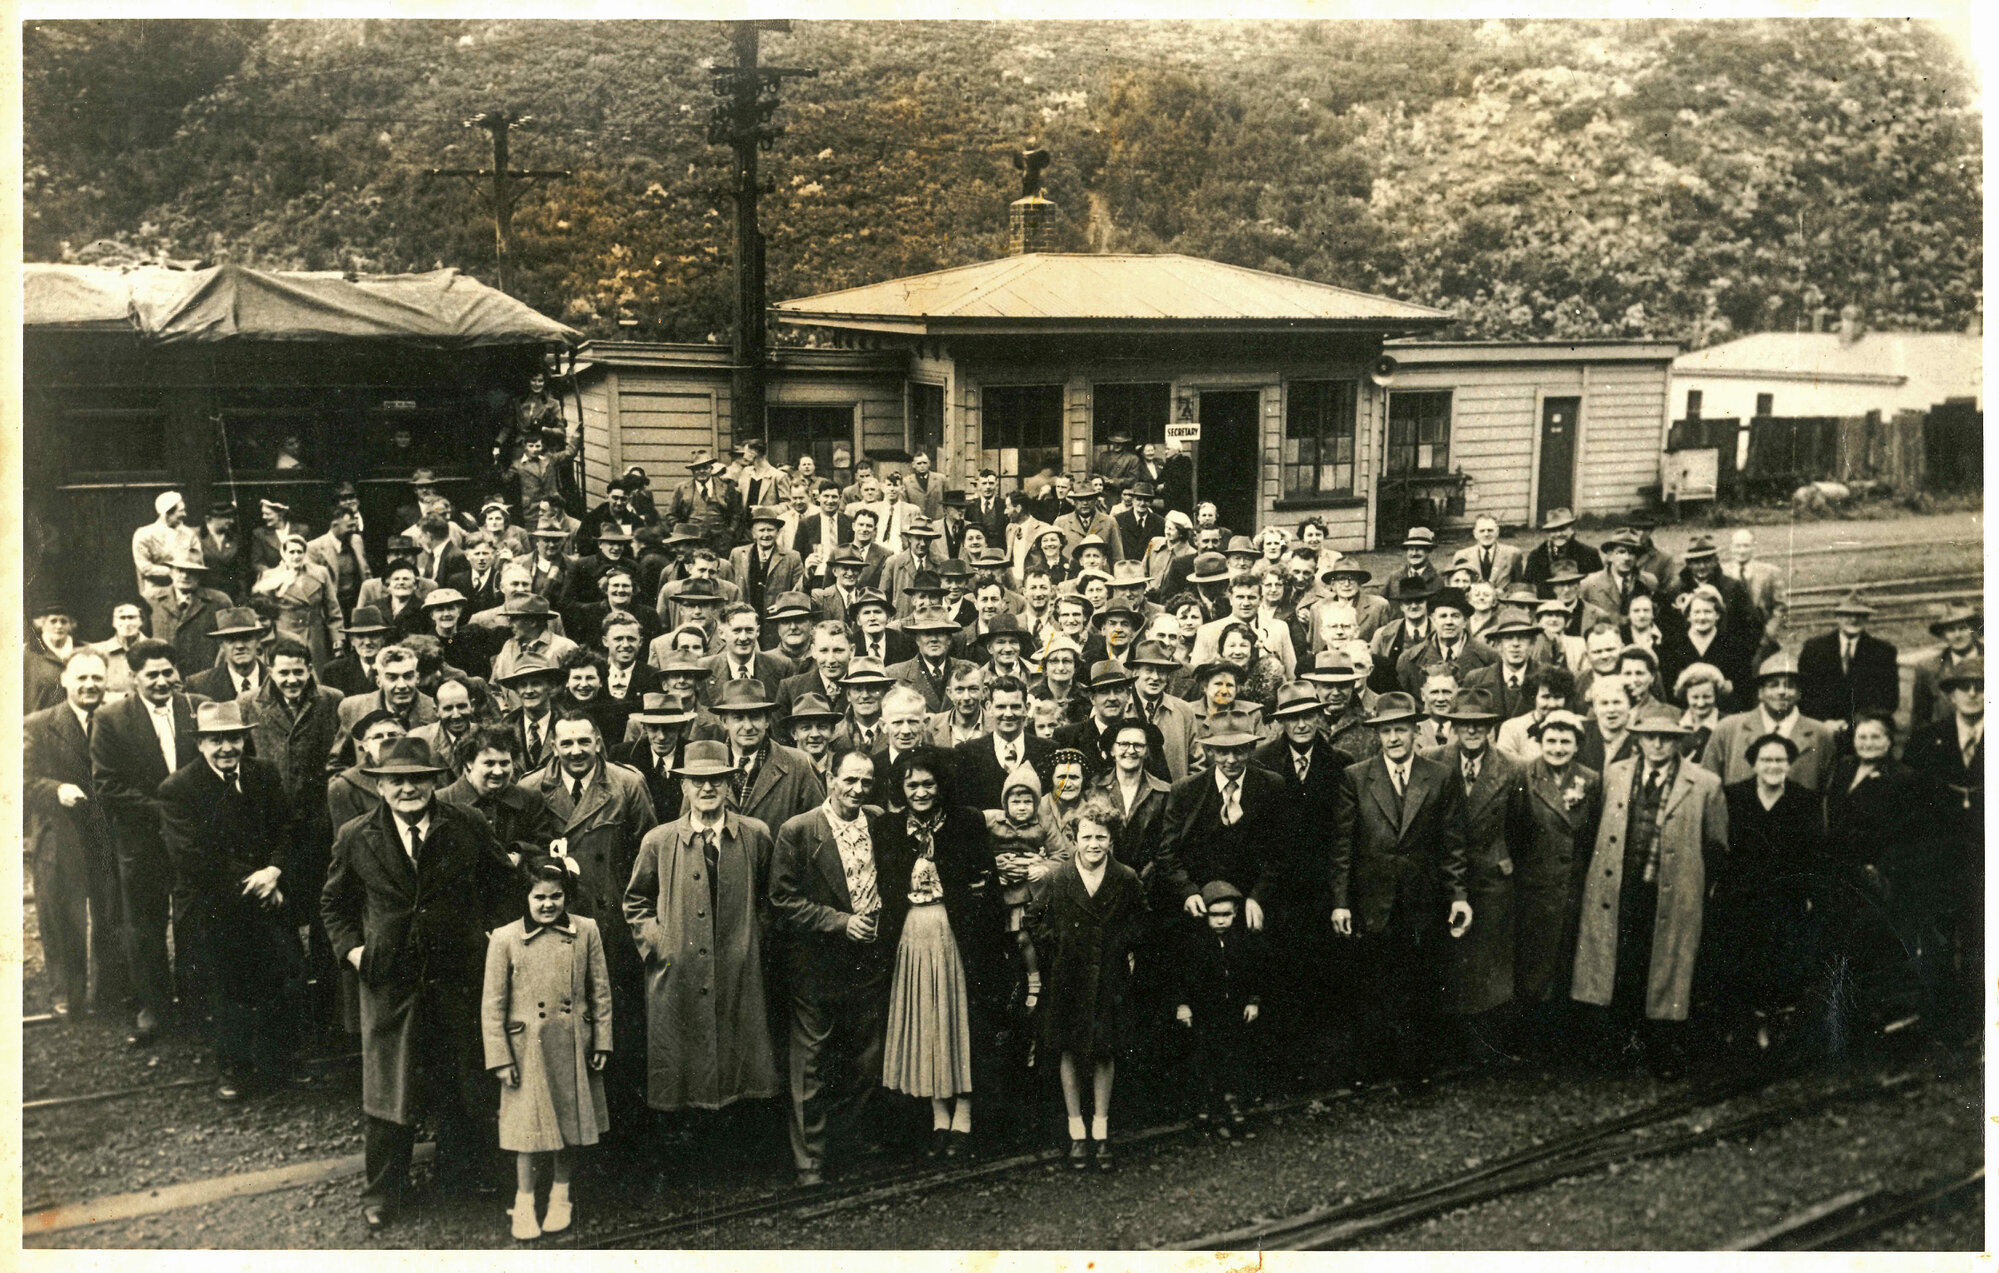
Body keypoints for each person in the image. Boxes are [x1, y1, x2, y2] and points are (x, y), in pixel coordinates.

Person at [320, 736, 520, 1229]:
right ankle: (383, 1192)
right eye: (396, 780)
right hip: (390, 983)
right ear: (380, 786)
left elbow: (504, 886)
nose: (408, 788)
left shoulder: (466, 824)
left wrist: (490, 941)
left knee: (464, 1080)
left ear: (434, 781)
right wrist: (356, 952)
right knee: (391, 1092)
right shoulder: (355, 834)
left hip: (458, 976)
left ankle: (463, 1175)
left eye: (418, 778)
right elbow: (334, 904)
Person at [622, 740, 780, 1137]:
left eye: (716, 780)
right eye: (697, 781)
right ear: (683, 787)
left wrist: (753, 939)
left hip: (738, 965)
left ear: (729, 784)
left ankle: (735, 1144)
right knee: (681, 1058)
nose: (707, 789)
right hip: (678, 969)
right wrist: (659, 942)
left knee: (738, 1055)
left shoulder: (755, 834)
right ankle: (688, 1149)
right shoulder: (659, 840)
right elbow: (636, 900)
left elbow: (770, 896)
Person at [1569, 704, 1728, 1078]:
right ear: (1638, 740)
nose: (1657, 745)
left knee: (1665, 971)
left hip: (1670, 893)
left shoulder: (1704, 784)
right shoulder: (1615, 775)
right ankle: (1621, 1051)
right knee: (1620, 966)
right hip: (1619, 890)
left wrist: (1696, 886)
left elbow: (1716, 845)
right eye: (1650, 737)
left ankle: (1662, 1052)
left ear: (1677, 742)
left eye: (1666, 738)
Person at [158, 701, 299, 1101]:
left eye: (234, 738)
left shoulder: (263, 774)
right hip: (217, 905)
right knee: (228, 989)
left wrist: (274, 870)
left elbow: (285, 828)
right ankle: (233, 1070)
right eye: (216, 740)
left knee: (277, 981)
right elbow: (192, 856)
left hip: (271, 896)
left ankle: (278, 1065)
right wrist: (255, 883)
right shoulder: (179, 788)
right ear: (201, 744)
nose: (226, 748)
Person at [770, 748, 898, 1187]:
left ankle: (847, 1142)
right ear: (830, 777)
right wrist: (841, 923)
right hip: (818, 965)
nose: (858, 790)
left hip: (870, 962)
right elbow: (782, 901)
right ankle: (810, 1161)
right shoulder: (799, 830)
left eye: (866, 782)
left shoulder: (880, 822)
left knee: (865, 1056)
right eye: (850, 780)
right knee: (810, 1064)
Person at [1330, 691, 1472, 1079]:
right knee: (1373, 983)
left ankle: (1417, 1067)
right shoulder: (1356, 777)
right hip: (1372, 900)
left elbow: (1453, 845)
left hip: (1422, 899)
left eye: (1401, 730)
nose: (1393, 738)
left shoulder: (1440, 777)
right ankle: (1374, 1067)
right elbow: (1343, 846)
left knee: (1420, 983)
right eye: (1386, 731)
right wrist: (1340, 902)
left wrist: (1458, 895)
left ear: (1415, 732)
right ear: (1377, 734)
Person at [876, 748, 1003, 1157]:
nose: (920, 791)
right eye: (911, 784)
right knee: (926, 1021)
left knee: (958, 1019)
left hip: (956, 932)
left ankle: (963, 1113)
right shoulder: (890, 828)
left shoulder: (965, 822)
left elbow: (986, 884)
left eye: (928, 783)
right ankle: (937, 1116)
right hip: (912, 933)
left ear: (941, 785)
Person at [91, 638, 205, 1045]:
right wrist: (166, 810)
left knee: (195, 918)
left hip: (193, 838)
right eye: (152, 675)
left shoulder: (197, 707)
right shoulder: (111, 718)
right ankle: (153, 1007)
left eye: (167, 672)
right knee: (145, 925)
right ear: (134, 677)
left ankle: (197, 1002)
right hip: (142, 840)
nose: (162, 681)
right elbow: (107, 785)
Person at [1029, 792, 1145, 1171]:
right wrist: (1058, 944)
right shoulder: (1059, 877)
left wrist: (1122, 945)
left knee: (1104, 1051)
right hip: (1068, 978)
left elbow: (1141, 922)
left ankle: (1101, 1129)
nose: (1094, 844)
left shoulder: (1125, 878)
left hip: (1108, 977)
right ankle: (1076, 1130)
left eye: (1101, 837)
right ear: (1074, 838)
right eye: (1087, 837)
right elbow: (1034, 921)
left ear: (1111, 840)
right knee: (1067, 1050)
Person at [25, 647, 128, 1020]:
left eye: (96, 678)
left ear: (106, 681)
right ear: (65, 680)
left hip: (107, 834)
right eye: (81, 678)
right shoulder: (38, 724)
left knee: (110, 914)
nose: (89, 685)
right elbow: (18, 782)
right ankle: (67, 996)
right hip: (61, 836)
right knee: (62, 918)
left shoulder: (117, 719)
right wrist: (55, 790)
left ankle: (110, 994)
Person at [1711, 733, 1824, 1042]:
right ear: (1754, 764)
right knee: (1741, 956)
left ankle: (1775, 1024)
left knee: (1780, 960)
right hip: (1742, 894)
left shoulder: (1805, 800)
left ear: (1789, 764)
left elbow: (1814, 853)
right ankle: (1742, 1024)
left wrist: (1808, 894)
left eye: (1779, 760)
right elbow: (1721, 845)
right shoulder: (1733, 796)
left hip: (1785, 896)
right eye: (1766, 760)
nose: (1773, 766)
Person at [1155, 710, 1293, 934]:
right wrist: (1188, 892)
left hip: (1252, 904)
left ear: (1250, 749)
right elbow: (1166, 853)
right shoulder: (1187, 790)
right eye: (1222, 751)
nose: (1231, 760)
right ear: (1209, 751)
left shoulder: (1272, 786)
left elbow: (1281, 852)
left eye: (1239, 751)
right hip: (1199, 902)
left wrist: (1258, 897)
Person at [1901, 656, 1983, 1027]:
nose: (1972, 693)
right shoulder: (1925, 740)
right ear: (1949, 695)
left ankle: (1982, 1015)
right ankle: (1942, 1016)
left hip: (1987, 858)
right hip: (1939, 858)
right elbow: (1909, 802)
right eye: (1963, 686)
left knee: (1983, 933)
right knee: (1938, 936)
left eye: (1981, 686)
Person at [1510, 710, 1600, 1047]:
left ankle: (1560, 1036)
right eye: (1551, 740)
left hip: (1573, 887)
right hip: (1534, 887)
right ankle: (1529, 1037)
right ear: (1539, 742)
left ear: (1577, 745)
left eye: (1566, 741)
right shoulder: (1525, 775)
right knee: (1533, 962)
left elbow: (1591, 835)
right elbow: (1514, 831)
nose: (1558, 747)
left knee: (1566, 959)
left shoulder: (1590, 780)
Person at [1172, 879, 1266, 1128]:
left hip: (1233, 1010)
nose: (1221, 921)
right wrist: (1183, 1005)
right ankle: (1204, 1102)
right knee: (1203, 1057)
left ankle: (1231, 1099)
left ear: (1235, 913)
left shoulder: (1242, 941)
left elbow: (1254, 973)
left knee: (1233, 1055)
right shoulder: (1194, 943)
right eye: (1215, 915)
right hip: (1205, 1011)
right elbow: (1180, 977)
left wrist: (1253, 1001)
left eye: (1227, 914)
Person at [1701, 652, 1837, 792]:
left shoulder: (1820, 735)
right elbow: (1706, 786)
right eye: (1773, 685)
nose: (1781, 691)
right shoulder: (1729, 729)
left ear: (1799, 693)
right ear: (1760, 692)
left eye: (1789, 686)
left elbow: (1829, 794)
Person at [1797, 591, 1900, 730]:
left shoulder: (1883, 651)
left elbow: (1889, 700)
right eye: (1847, 614)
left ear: (1867, 618)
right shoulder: (1814, 648)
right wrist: (1825, 723)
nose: (1853, 619)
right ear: (1837, 617)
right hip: (1821, 727)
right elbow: (1804, 694)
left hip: (1864, 728)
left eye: (1860, 615)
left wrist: (1853, 723)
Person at [151, 554, 236, 674]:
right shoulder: (151, 600)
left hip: (205, 675)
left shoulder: (219, 601)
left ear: (200, 575)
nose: (185, 575)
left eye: (191, 571)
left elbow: (229, 642)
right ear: (171, 572)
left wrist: (217, 673)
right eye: (180, 570)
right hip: (164, 675)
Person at [1911, 602, 1982, 727]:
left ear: (1974, 630)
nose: (1957, 635)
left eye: (1963, 628)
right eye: (1951, 630)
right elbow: (1920, 719)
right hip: (1946, 741)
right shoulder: (1929, 668)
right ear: (1943, 635)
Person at [1521, 507, 1602, 598]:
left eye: (1563, 529)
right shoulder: (1536, 556)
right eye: (1554, 530)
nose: (1559, 534)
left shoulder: (1589, 554)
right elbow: (1529, 588)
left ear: (1572, 530)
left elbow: (1596, 586)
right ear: (1548, 533)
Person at [1673, 663, 1732, 761]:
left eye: (1707, 696)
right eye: (1695, 697)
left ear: (1716, 695)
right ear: (1685, 696)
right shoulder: (1677, 722)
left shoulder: (1727, 724)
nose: (1701, 703)